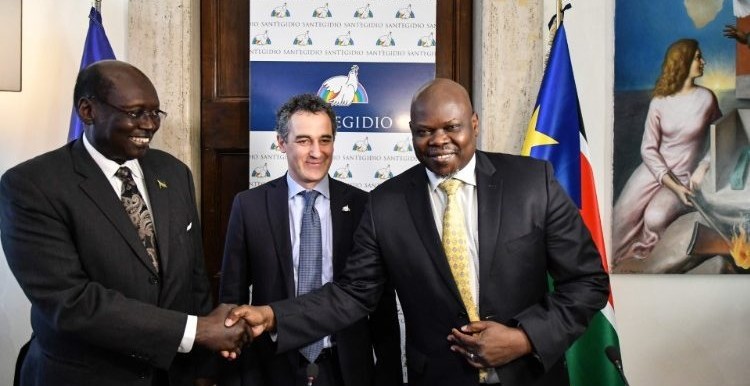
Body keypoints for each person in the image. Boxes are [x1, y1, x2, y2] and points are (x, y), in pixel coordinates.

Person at [226, 79, 610, 386]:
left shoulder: (532, 183)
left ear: (473, 124)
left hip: (531, 373)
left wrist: (525, 337)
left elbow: (588, 281)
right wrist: (274, 316)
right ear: (411, 132)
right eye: (425, 131)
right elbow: (353, 294)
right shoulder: (385, 204)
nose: (439, 140)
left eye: (452, 127)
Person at [0, 60, 249, 386]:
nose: (149, 125)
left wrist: (202, 366)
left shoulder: (174, 173)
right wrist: (198, 332)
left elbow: (194, 278)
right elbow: (72, 303)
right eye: (135, 113)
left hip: (172, 375)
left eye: (155, 113)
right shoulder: (32, 186)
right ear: (88, 111)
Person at [218, 94, 402, 386]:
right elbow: (232, 298)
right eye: (304, 140)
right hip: (271, 365)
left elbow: (380, 304)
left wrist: (389, 375)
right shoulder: (249, 206)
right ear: (281, 143)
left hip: (347, 367)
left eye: (325, 140)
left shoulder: (364, 206)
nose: (317, 152)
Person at [613, 39, 722, 265]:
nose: (703, 62)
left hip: (684, 175)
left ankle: (650, 261)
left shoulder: (707, 98)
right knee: (617, 224)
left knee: (654, 218)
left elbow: (719, 134)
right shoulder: (659, 102)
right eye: (697, 58)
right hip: (653, 172)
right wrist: (670, 182)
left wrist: (704, 165)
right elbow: (648, 149)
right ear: (682, 62)